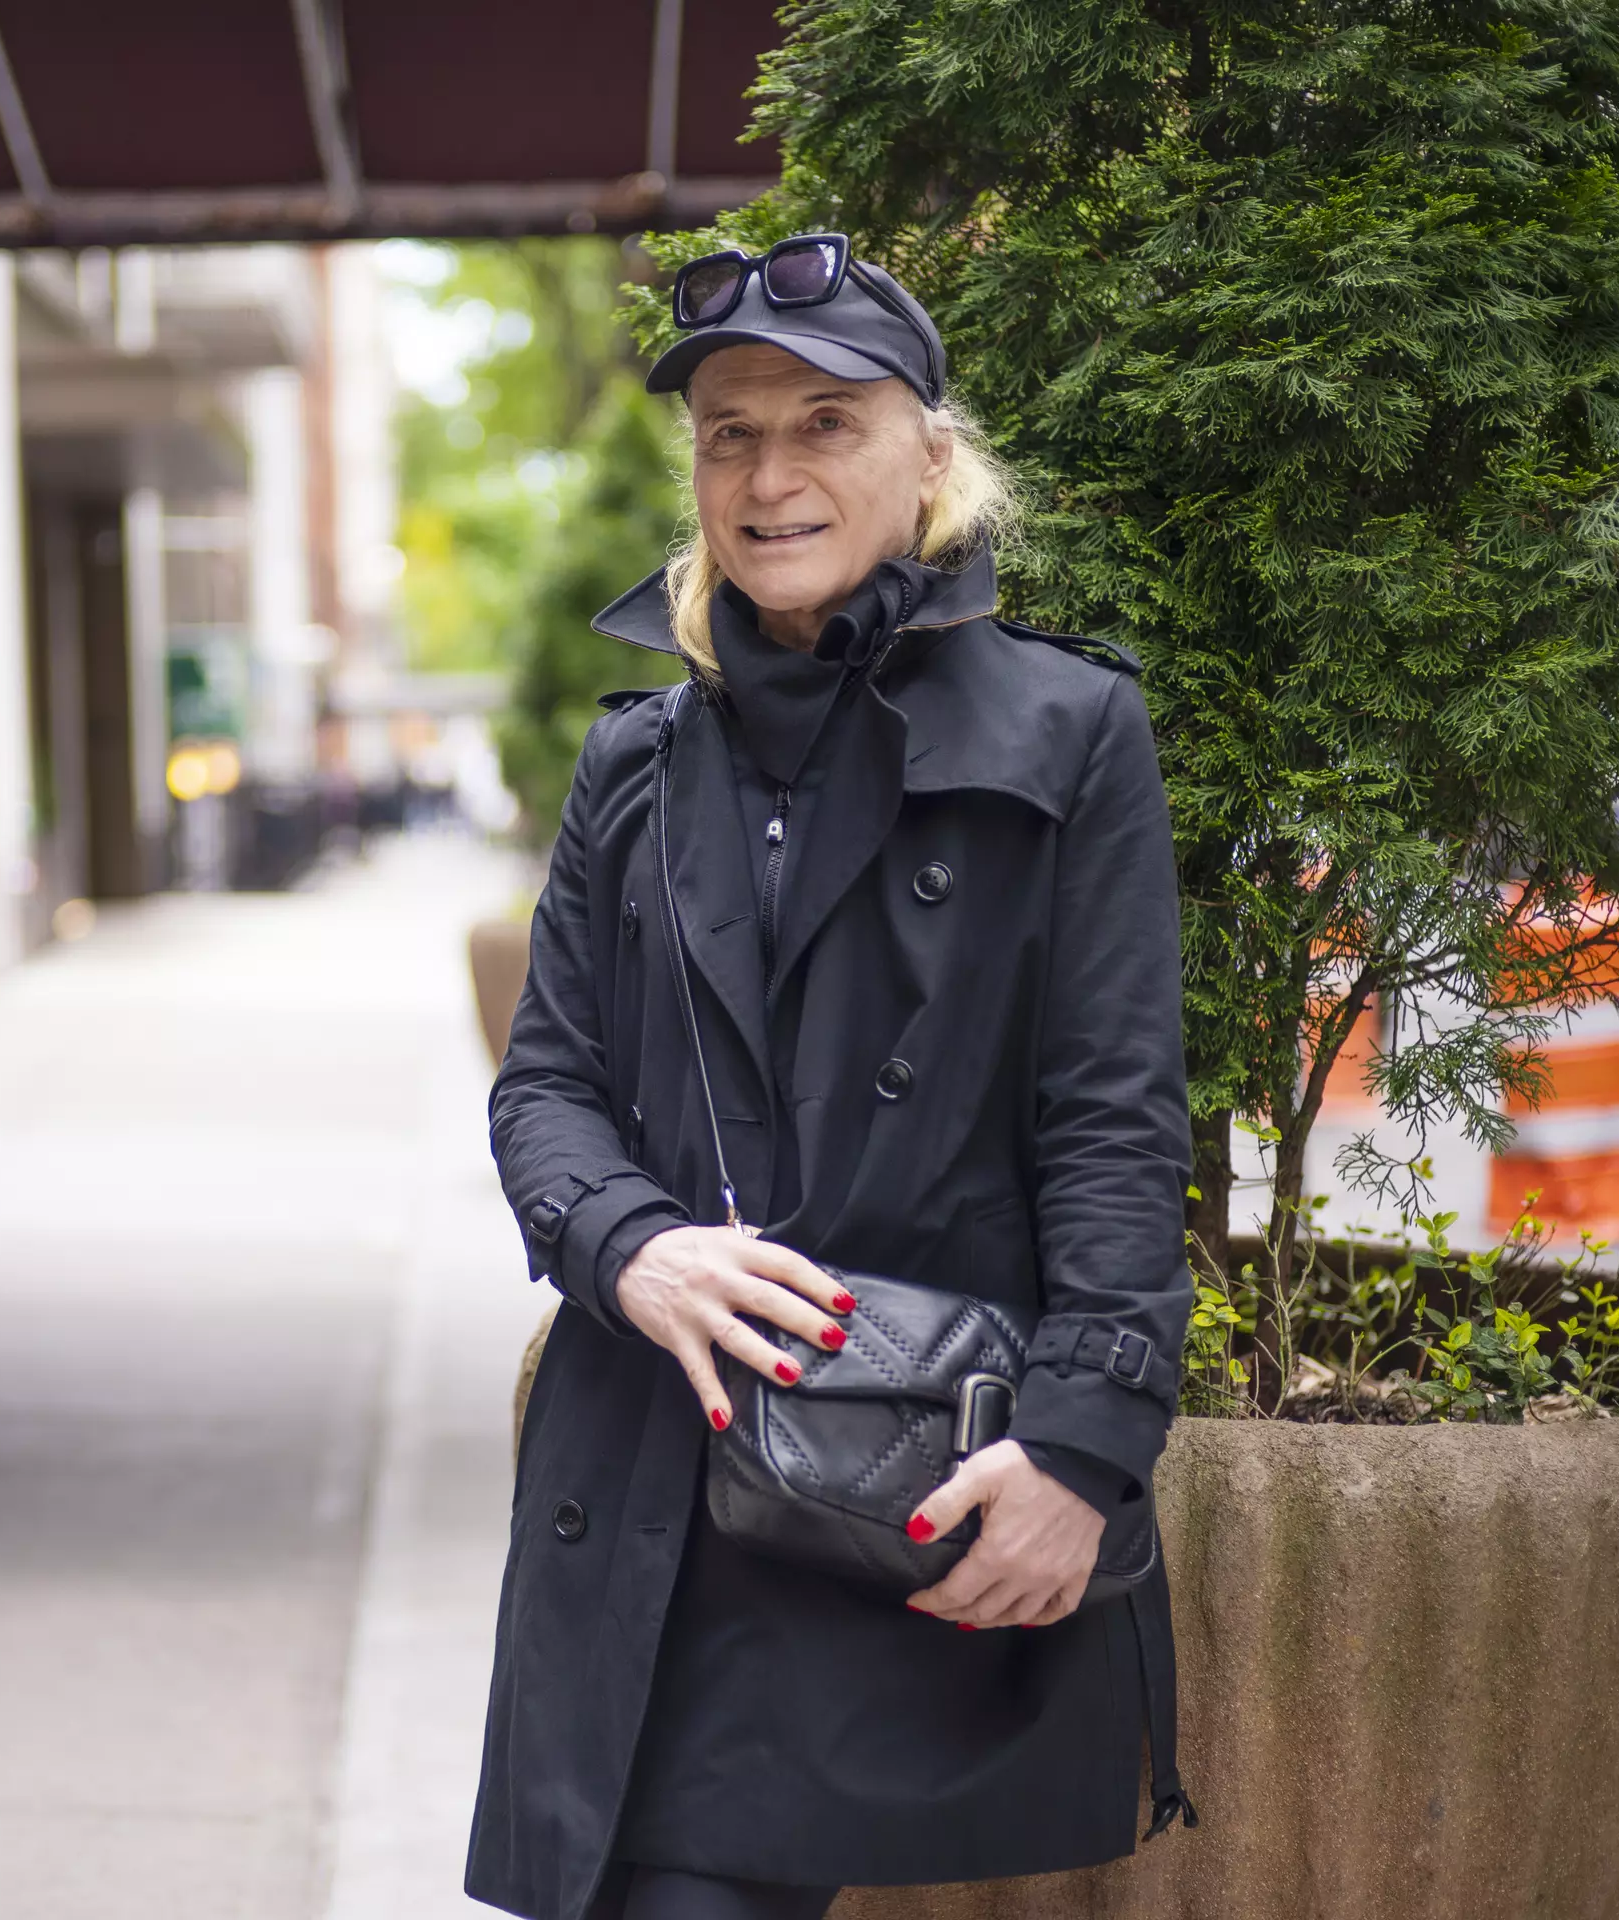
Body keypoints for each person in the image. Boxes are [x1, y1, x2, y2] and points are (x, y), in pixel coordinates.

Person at [468, 235, 1193, 1920]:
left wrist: (1084, 1448)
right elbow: (546, 1083)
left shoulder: (1071, 733)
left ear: (928, 456)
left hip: (915, 1470)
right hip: (663, 1476)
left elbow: (1111, 1115)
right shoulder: (634, 762)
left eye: (825, 423)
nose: (771, 475)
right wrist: (629, 1243)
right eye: (729, 433)